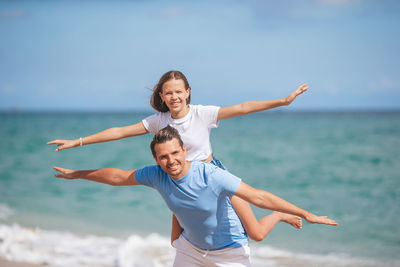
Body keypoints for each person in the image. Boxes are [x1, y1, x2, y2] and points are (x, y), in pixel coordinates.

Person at [48, 70, 309, 242]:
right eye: (168, 92)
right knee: (177, 242)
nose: (174, 96)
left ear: (187, 92)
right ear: (162, 96)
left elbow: (242, 107)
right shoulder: (158, 120)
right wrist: (78, 141)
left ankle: (280, 215)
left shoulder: (201, 113)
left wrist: (282, 102)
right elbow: (120, 131)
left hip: (213, 178)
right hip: (178, 183)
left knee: (256, 234)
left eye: (178, 91)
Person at [53, 126, 338, 267]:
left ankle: (279, 217)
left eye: (175, 153)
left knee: (257, 233)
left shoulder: (211, 175)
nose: (170, 161)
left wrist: (306, 213)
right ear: (156, 158)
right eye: (163, 157)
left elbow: (259, 196)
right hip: (191, 250)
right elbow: (117, 176)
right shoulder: (155, 175)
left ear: (184, 151)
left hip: (230, 252)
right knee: (178, 225)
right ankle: (179, 214)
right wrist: (77, 173)